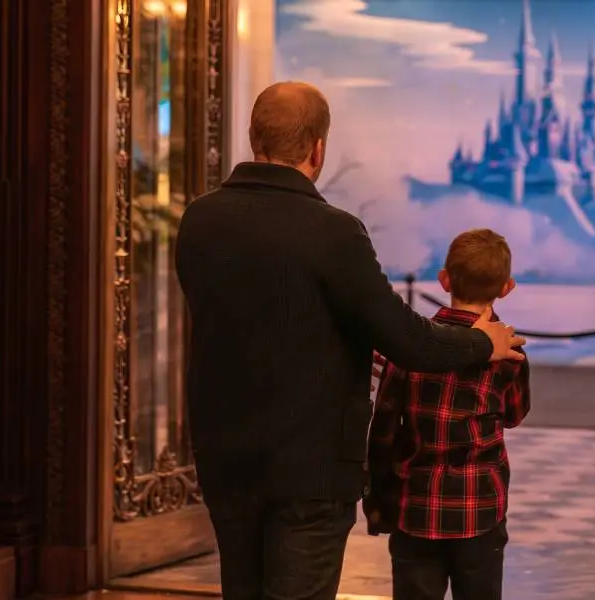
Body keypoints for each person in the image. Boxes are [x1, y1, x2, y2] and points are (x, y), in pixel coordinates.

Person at [174, 82, 525, 600]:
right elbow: (408, 339)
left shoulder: (199, 219)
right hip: (309, 471)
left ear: (253, 137)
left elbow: (260, 323)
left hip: (225, 459)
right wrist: (482, 343)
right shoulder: (333, 232)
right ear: (318, 148)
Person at [363, 228, 531, 600]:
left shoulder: (409, 348)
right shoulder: (511, 353)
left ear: (444, 279)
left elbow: (384, 429)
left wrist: (378, 500)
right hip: (481, 505)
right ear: (507, 287)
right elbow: (515, 414)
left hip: (417, 506)